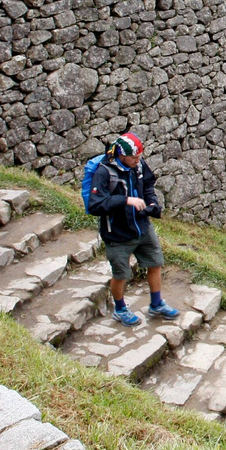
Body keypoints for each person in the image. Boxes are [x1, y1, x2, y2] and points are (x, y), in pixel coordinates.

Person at [86, 133, 179, 326]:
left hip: (142, 227)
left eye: (139, 157)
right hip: (117, 233)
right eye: (134, 158)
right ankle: (120, 309)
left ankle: (156, 304)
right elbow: (95, 205)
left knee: (155, 263)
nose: (138, 161)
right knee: (121, 274)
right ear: (121, 155)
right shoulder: (104, 172)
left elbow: (148, 185)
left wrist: (151, 203)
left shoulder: (138, 166)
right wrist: (125, 200)